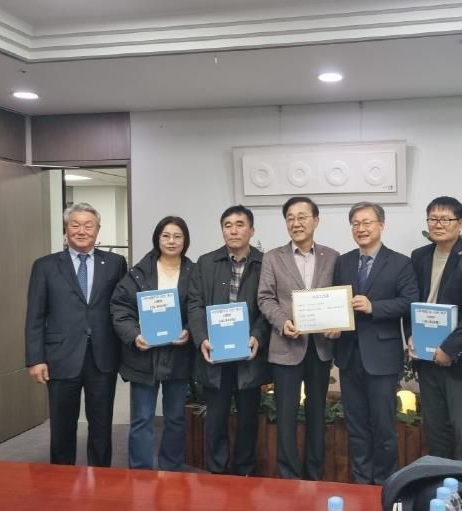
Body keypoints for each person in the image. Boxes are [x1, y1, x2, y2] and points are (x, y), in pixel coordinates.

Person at [25, 202, 127, 466]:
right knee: (62, 427)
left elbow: (122, 308)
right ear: (66, 229)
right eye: (75, 225)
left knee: (102, 426)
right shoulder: (45, 266)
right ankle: (61, 481)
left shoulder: (115, 263)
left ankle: (101, 477)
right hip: (61, 357)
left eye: (88, 225)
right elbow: (35, 316)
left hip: (102, 357)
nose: (82, 231)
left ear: (98, 229)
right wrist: (35, 359)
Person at [333, 201, 419, 484]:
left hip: (382, 357)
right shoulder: (343, 261)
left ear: (381, 225)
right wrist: (330, 324)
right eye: (355, 223)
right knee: (356, 426)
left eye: (367, 222)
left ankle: (385, 482)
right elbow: (334, 301)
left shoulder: (400, 262)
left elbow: (409, 302)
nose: (361, 228)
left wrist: (374, 307)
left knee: (383, 428)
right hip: (349, 355)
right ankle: (361, 483)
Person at [257, 196, 339, 480]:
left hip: (320, 348)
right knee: (286, 415)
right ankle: (289, 476)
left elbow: (340, 297)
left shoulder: (332, 256)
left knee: (317, 414)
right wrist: (283, 322)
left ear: (316, 220)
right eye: (290, 218)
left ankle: (315, 474)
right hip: (286, 347)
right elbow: (265, 297)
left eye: (302, 217)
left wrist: (337, 325)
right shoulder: (273, 257)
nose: (296, 223)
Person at [406, 196, 462, 463]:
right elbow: (411, 301)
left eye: (445, 219)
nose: (438, 224)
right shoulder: (419, 256)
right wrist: (411, 336)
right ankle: (439, 481)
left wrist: (449, 349)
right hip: (425, 356)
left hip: (459, 359)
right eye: (433, 219)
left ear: (460, 223)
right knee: (435, 430)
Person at [187, 205, 271, 475]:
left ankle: (244, 470)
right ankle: (217, 471)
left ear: (251, 230)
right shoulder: (205, 263)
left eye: (239, 224)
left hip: (249, 354)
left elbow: (269, 306)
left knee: (248, 418)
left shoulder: (265, 263)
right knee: (216, 417)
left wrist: (258, 335)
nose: (233, 230)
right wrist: (202, 338)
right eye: (227, 225)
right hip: (215, 353)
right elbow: (195, 305)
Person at [110, 216, 194, 470]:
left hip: (179, 357)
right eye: (165, 236)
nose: (171, 241)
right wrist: (135, 335)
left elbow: (200, 308)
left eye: (177, 236)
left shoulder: (195, 273)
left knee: (175, 418)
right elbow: (120, 308)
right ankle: (140, 472)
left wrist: (189, 331)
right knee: (142, 418)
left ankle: (171, 469)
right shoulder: (138, 273)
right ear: (157, 239)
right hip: (143, 357)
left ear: (185, 240)